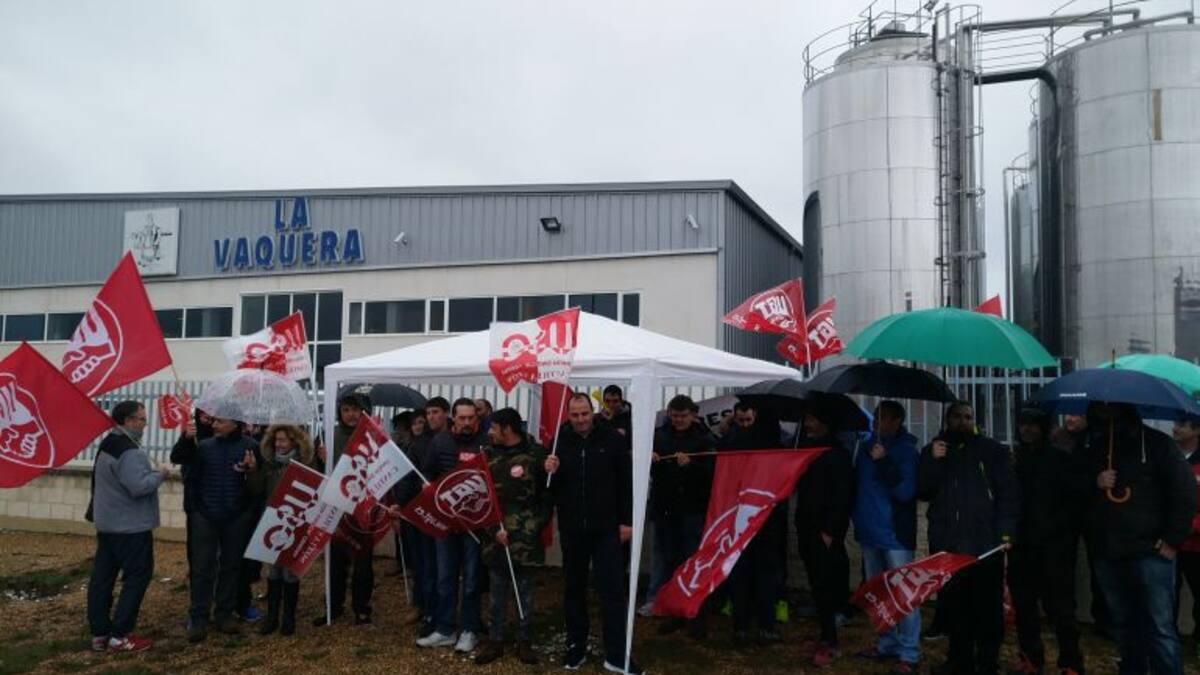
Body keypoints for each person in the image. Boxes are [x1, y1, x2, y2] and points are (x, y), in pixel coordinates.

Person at [1083, 402, 1196, 674]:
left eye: (1111, 408)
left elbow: (1184, 491)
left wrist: (1172, 539)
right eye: (1100, 409)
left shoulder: (1159, 445)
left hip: (1151, 552)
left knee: (1160, 628)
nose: (1105, 414)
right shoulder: (1093, 448)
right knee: (1123, 624)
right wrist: (1094, 481)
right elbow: (1073, 491)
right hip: (1108, 552)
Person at [918, 401, 1019, 675]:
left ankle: (987, 663)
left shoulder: (992, 451)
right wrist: (933, 461)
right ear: (947, 419)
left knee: (987, 610)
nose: (963, 421)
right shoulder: (934, 451)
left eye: (968, 417)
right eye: (957, 417)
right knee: (955, 608)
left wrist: (1005, 534)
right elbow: (924, 490)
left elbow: (1008, 496)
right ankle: (958, 660)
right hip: (949, 546)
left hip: (985, 546)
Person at [544, 393, 642, 674]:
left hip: (607, 529)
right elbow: (550, 488)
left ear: (593, 411)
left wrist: (627, 521)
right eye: (574, 415)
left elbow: (626, 482)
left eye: (584, 413)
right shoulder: (559, 442)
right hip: (573, 529)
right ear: (569, 415)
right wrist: (548, 470)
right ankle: (576, 646)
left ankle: (616, 654)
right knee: (574, 589)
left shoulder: (612, 439)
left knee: (612, 591)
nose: (580, 420)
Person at [1008, 408, 1085, 675]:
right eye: (1022, 424)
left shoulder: (1060, 460)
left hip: (1054, 547)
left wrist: (1060, 533)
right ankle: (1030, 657)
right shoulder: (1015, 460)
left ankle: (1071, 662)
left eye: (1032, 425)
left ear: (1044, 427)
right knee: (1024, 607)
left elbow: (1074, 503)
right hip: (1021, 545)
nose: (1026, 430)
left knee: (1061, 609)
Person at [87, 401, 168, 653]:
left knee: (103, 578)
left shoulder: (108, 443)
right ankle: (120, 635)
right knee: (137, 577)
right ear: (129, 421)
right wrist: (160, 475)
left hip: (108, 524)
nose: (144, 424)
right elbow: (139, 486)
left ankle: (100, 633)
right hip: (131, 527)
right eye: (142, 420)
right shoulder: (129, 451)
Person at [174, 414, 261, 642]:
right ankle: (199, 617)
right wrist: (185, 438)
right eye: (214, 421)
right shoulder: (202, 446)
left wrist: (252, 470)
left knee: (231, 567)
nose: (214, 425)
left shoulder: (252, 446)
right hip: (205, 515)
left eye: (220, 421)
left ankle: (224, 613)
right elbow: (179, 458)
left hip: (237, 516)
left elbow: (259, 484)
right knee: (203, 568)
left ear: (235, 423)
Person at [474, 408, 550, 666]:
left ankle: (524, 640)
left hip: (526, 540)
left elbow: (547, 497)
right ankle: (495, 640)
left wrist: (532, 527)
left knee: (524, 592)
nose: (489, 432)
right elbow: (480, 498)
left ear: (507, 429)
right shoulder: (487, 455)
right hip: (496, 538)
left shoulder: (536, 454)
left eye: (494, 427)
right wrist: (493, 530)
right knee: (496, 593)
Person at [851, 400, 920, 674]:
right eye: (876, 416)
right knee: (879, 594)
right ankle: (886, 642)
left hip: (894, 535)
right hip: (869, 531)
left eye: (883, 418)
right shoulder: (867, 447)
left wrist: (885, 462)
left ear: (897, 422)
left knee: (903, 595)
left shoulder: (905, 451)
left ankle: (909, 651)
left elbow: (904, 492)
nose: (876, 422)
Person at [417, 398, 490, 653]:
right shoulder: (440, 442)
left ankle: (469, 630)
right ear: (454, 419)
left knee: (471, 580)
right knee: (445, 578)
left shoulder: (487, 442)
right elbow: (426, 473)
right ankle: (445, 629)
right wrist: (428, 487)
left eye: (472, 418)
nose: (467, 422)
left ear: (477, 419)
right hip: (446, 523)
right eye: (462, 418)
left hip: (473, 525)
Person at [647, 395, 715, 638]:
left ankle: (696, 616)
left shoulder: (705, 439)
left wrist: (691, 466)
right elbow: (646, 468)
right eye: (674, 416)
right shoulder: (660, 435)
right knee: (670, 562)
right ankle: (675, 612)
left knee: (694, 564)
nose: (678, 420)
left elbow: (713, 473)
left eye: (683, 416)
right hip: (666, 510)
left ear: (693, 415)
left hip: (693, 511)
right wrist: (652, 460)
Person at [793, 405, 854, 668]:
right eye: (806, 420)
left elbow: (843, 497)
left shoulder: (836, 454)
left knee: (826, 585)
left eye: (812, 420)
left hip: (825, 531)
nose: (807, 425)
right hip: (806, 526)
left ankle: (831, 640)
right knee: (816, 585)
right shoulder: (806, 449)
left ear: (826, 423)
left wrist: (831, 531)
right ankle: (824, 634)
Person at [722, 401, 788, 645]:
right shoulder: (740, 441)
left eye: (748, 421)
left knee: (762, 574)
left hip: (762, 520)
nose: (745, 425)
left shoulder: (756, 443)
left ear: (757, 417)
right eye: (740, 421)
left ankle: (757, 624)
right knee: (747, 572)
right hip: (746, 518)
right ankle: (750, 625)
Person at [246, 425, 317, 636]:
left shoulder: (306, 464)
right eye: (276, 440)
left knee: (290, 573)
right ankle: (272, 618)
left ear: (294, 442)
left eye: (283, 440)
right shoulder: (268, 464)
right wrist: (252, 471)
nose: (279, 444)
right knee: (274, 571)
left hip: (296, 524)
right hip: (272, 524)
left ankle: (289, 619)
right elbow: (256, 489)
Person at [315, 393, 376, 626]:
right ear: (340, 412)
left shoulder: (371, 436)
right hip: (335, 506)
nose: (352, 415)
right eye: (347, 410)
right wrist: (321, 458)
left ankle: (362, 607)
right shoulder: (329, 436)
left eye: (357, 410)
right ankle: (334, 605)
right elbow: (318, 473)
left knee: (363, 561)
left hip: (362, 507)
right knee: (335, 561)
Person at [404, 398, 448, 637]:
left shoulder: (450, 440)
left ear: (445, 414)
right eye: (428, 413)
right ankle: (427, 610)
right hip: (420, 513)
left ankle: (442, 613)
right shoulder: (418, 444)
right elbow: (409, 477)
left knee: (442, 569)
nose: (431, 417)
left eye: (435, 412)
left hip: (444, 514)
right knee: (424, 566)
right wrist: (405, 505)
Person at [170, 409, 213, 631]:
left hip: (222, 506)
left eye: (212, 414)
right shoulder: (192, 432)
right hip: (196, 505)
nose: (208, 417)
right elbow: (176, 457)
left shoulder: (222, 432)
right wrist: (188, 438)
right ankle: (198, 610)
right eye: (204, 413)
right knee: (198, 558)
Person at [1176, 416, 1200, 658]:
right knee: (1167, 595)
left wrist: (1188, 526)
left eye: (1181, 425)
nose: (1175, 428)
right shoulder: (1169, 458)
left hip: (1195, 545)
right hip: (1170, 543)